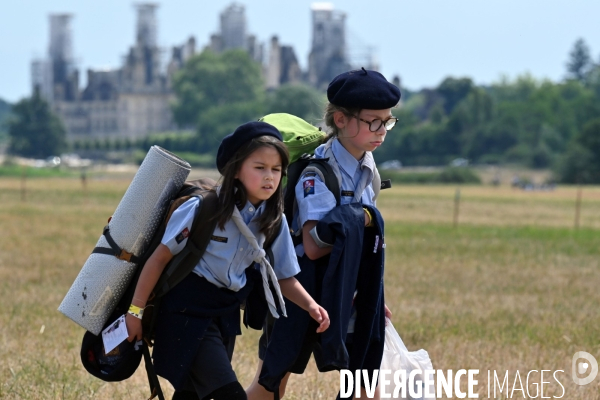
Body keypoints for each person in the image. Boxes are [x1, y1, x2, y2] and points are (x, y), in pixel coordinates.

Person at [125, 121, 330, 400]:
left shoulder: (274, 220)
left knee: (192, 395)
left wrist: (311, 306)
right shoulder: (203, 208)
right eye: (259, 168)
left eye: (276, 169)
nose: (269, 177)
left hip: (225, 313)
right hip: (185, 311)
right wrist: (135, 312)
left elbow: (283, 276)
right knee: (228, 394)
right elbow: (159, 258)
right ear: (235, 170)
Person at [246, 68, 400, 400]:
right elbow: (314, 246)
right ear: (341, 119)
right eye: (373, 121)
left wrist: (370, 294)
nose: (381, 131)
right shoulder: (318, 172)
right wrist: (358, 218)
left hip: (345, 293)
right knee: (270, 385)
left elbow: (360, 243)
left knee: (363, 387)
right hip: (302, 292)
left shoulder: (367, 166)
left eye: (387, 122)